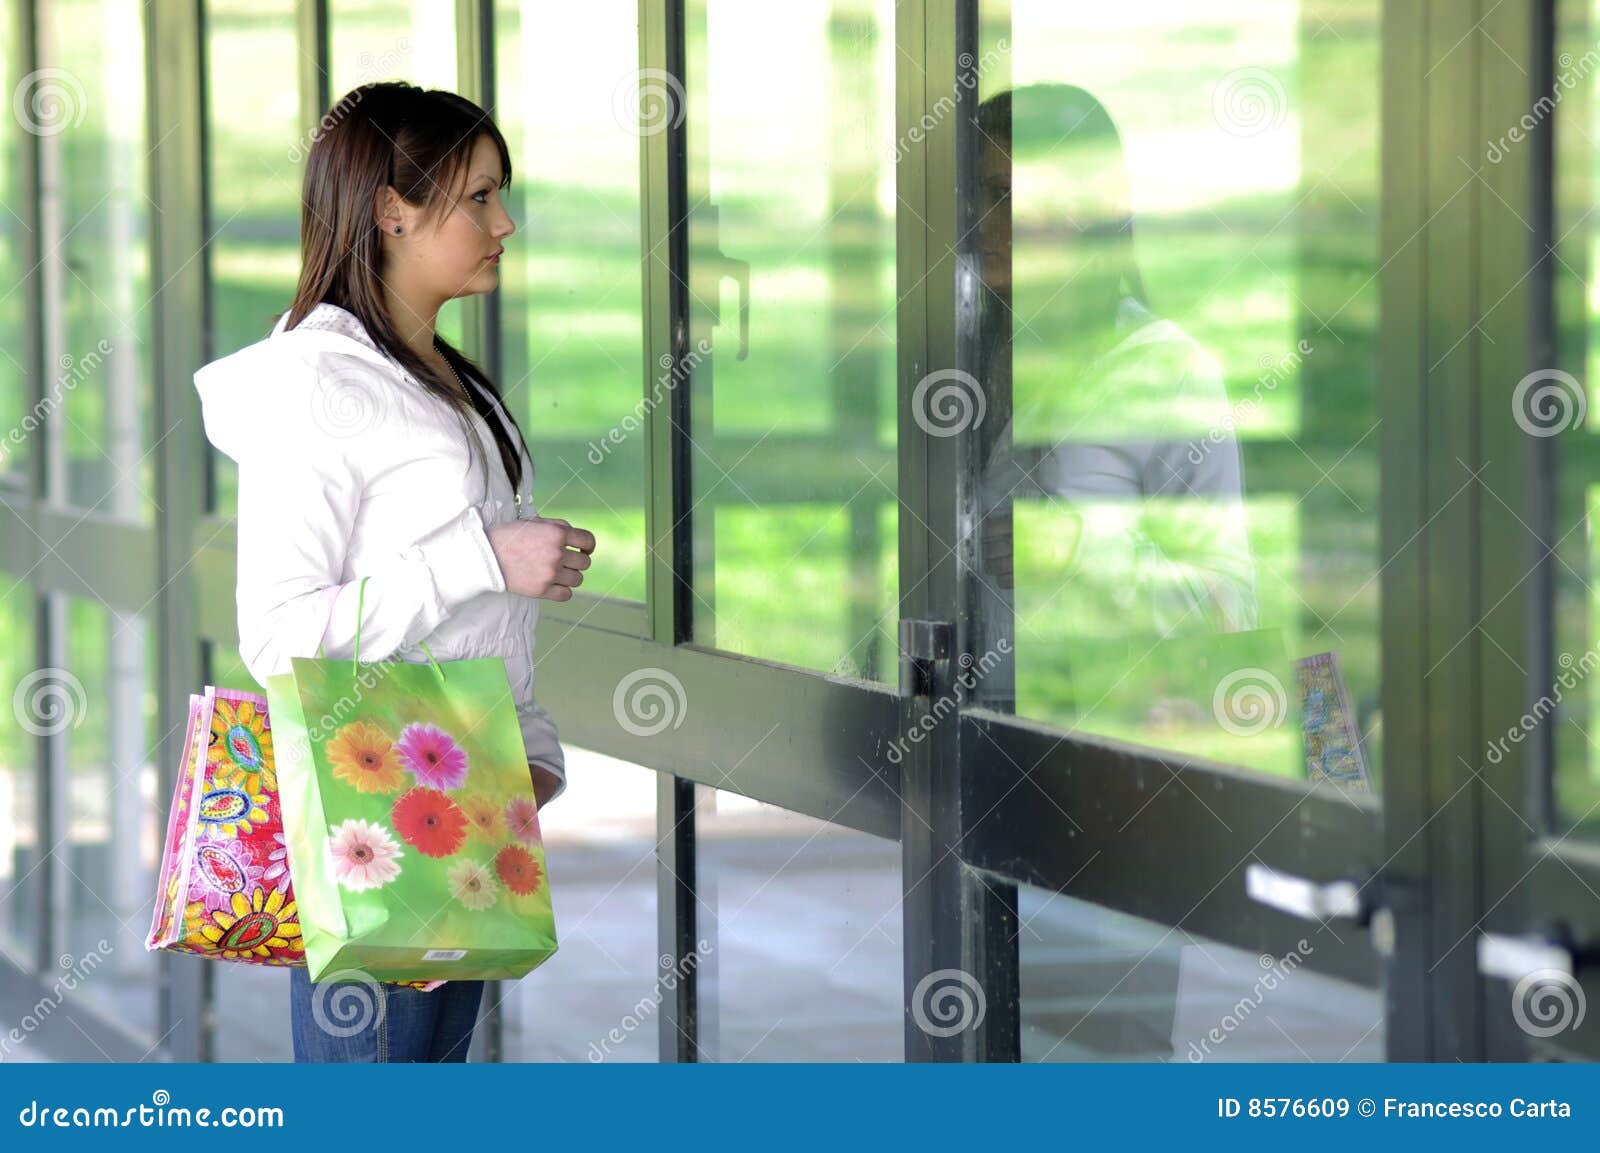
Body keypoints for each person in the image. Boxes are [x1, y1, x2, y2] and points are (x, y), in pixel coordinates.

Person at [193, 81, 596, 1062]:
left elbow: (476, 623)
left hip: (458, 816)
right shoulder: (319, 386)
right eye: (480, 197)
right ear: (391, 211)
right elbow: (279, 634)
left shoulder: (448, 380)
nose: (505, 224)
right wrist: (482, 556)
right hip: (368, 825)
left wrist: (529, 754)